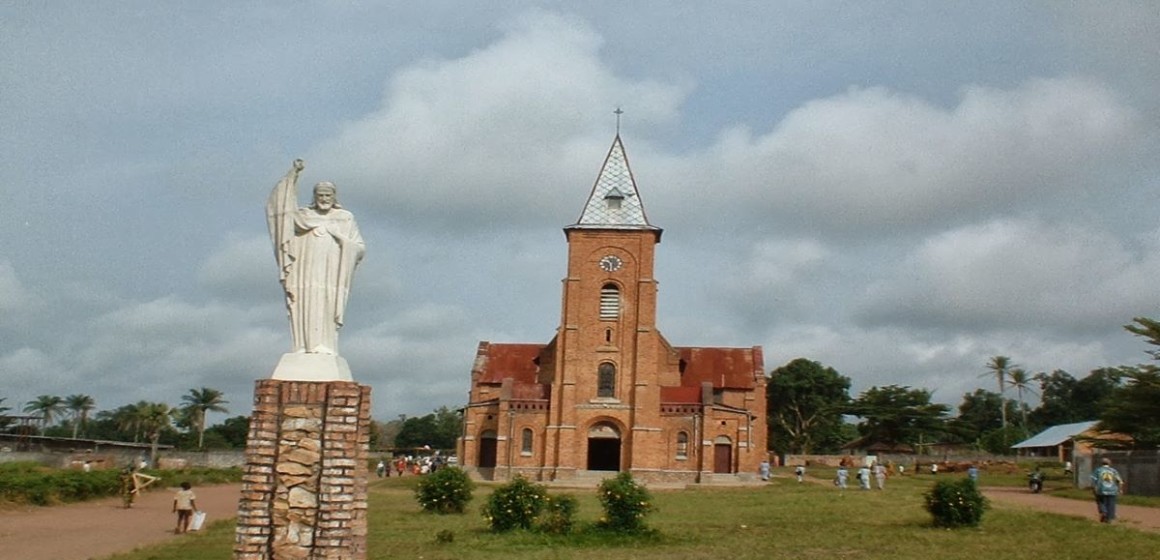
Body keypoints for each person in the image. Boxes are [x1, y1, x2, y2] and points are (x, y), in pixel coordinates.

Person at [267, 160, 366, 357]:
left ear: (334, 197)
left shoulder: (345, 218)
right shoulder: (303, 216)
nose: (324, 199)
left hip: (332, 273)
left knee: (326, 304)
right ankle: (303, 345)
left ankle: (326, 345)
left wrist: (340, 238)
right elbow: (281, 210)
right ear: (314, 197)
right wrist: (293, 175)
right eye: (320, 195)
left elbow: (360, 248)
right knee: (305, 303)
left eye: (328, 195)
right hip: (306, 271)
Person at [1090, 457, 1125, 523]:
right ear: (1109, 463)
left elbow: (1094, 481)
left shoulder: (1098, 470)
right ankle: (1110, 518)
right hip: (1112, 490)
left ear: (1101, 463)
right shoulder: (1113, 471)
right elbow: (1120, 481)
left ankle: (1103, 512)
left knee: (1100, 502)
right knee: (1111, 504)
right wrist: (1120, 489)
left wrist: (1094, 489)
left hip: (1101, 489)